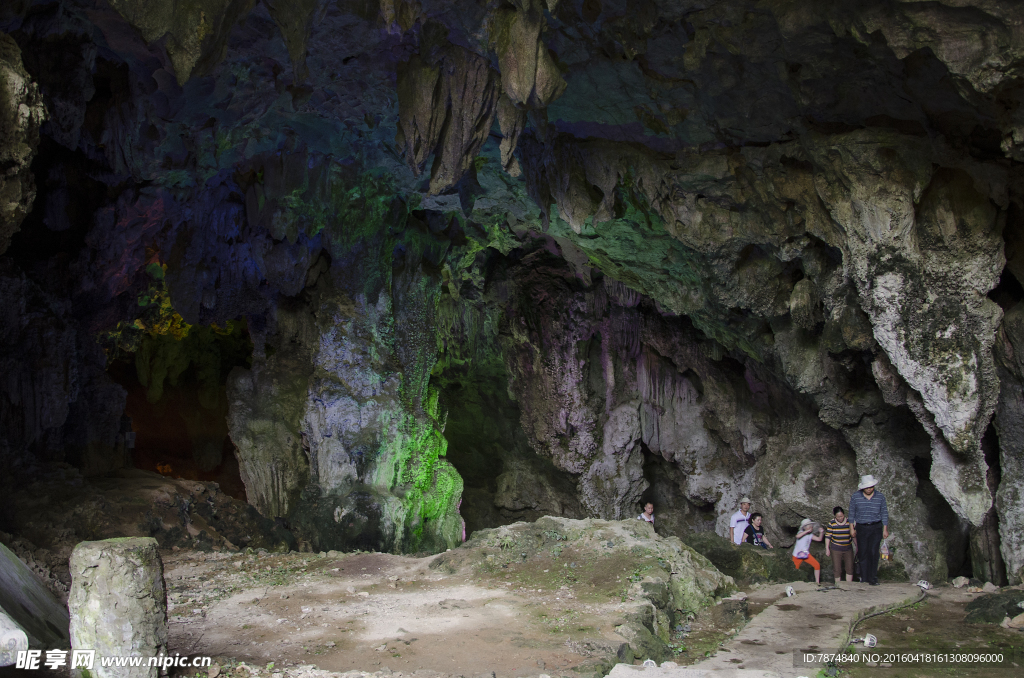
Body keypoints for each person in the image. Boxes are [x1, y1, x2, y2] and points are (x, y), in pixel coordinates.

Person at [848, 474, 889, 586]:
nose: (869, 489)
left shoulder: (880, 497)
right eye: (867, 487)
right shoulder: (856, 497)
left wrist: (885, 529)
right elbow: (851, 513)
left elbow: (884, 513)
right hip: (861, 527)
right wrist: (851, 528)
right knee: (863, 552)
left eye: (871, 487)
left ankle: (873, 578)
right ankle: (864, 577)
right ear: (862, 488)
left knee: (873, 552)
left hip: (876, 527)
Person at [825, 506, 854, 583]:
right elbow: (828, 536)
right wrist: (827, 548)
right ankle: (838, 585)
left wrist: (857, 546)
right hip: (836, 548)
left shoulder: (849, 522)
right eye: (838, 517)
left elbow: (853, 535)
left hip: (848, 548)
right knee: (837, 568)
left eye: (841, 516)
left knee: (849, 567)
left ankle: (849, 585)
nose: (840, 518)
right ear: (835, 516)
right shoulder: (832, 523)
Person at [792, 517, 824, 584]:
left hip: (806, 554)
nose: (809, 526)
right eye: (807, 525)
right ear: (804, 527)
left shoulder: (810, 535)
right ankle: (794, 583)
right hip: (797, 555)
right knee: (795, 569)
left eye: (810, 525)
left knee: (817, 565)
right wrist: (806, 531)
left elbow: (819, 539)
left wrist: (821, 532)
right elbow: (797, 536)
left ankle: (817, 582)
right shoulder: (801, 532)